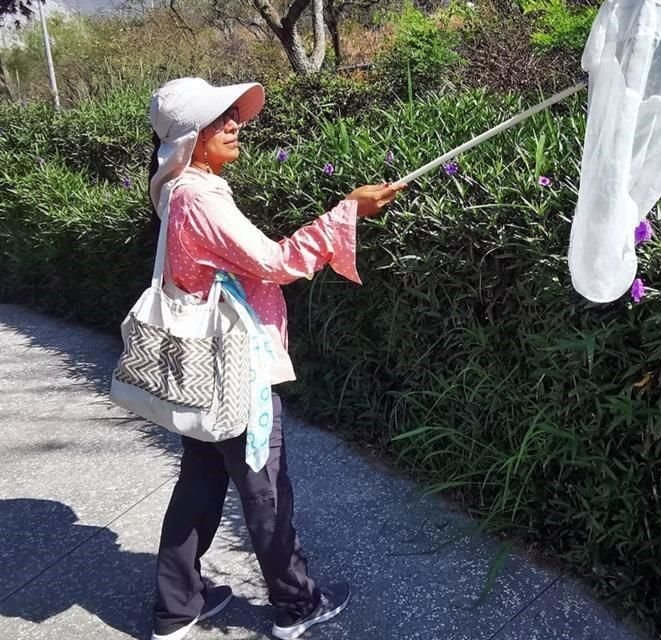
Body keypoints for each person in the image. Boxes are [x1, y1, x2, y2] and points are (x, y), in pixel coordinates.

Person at [146, 77, 405, 640]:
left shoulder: (176, 189)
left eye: (233, 114)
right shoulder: (200, 196)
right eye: (220, 119)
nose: (235, 124)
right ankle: (296, 605)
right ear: (191, 136)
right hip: (232, 368)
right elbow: (275, 261)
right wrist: (347, 212)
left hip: (201, 369)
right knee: (265, 486)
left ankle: (176, 605)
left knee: (200, 481)